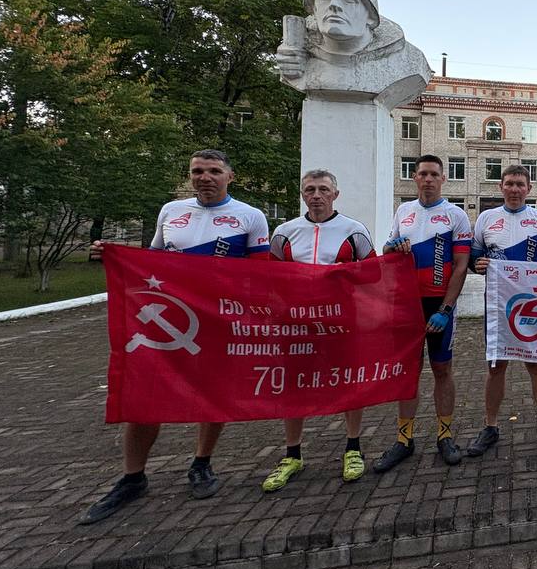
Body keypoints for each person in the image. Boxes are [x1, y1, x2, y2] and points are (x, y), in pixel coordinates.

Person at [81, 149, 271, 524]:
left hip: (217, 322)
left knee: (212, 397)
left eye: (214, 171)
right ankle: (133, 477)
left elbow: (260, 274)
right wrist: (115, 256)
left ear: (229, 176)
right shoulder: (171, 211)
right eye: (198, 171)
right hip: (167, 321)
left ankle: (202, 463)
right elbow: (152, 261)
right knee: (145, 396)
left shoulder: (251, 216)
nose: (205, 177)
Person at [261, 170, 375, 491]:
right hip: (297, 326)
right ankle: (292, 454)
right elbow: (272, 278)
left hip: (341, 322)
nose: (316, 195)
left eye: (323, 189)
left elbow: (373, 274)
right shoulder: (285, 232)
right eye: (310, 189)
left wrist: (346, 275)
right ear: (302, 194)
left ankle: (353, 448)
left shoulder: (354, 231)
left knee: (349, 383)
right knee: (295, 387)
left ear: (335, 194)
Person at [374, 155, 472, 470]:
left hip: (438, 304)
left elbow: (460, 268)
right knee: (409, 373)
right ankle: (404, 439)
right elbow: (387, 251)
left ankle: (445, 436)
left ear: (443, 179)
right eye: (422, 174)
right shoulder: (404, 211)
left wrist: (446, 308)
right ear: (415, 178)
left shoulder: (456, 215)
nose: (427, 179)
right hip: (406, 304)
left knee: (442, 370)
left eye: (433, 174)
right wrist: (392, 247)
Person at [466, 165, 537, 458]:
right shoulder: (486, 218)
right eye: (509, 183)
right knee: (496, 367)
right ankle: (490, 426)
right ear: (501, 187)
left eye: (520, 184)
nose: (515, 189)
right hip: (496, 304)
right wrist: (477, 264)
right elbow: (473, 257)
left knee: (536, 365)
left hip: (532, 304)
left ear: (529, 189)